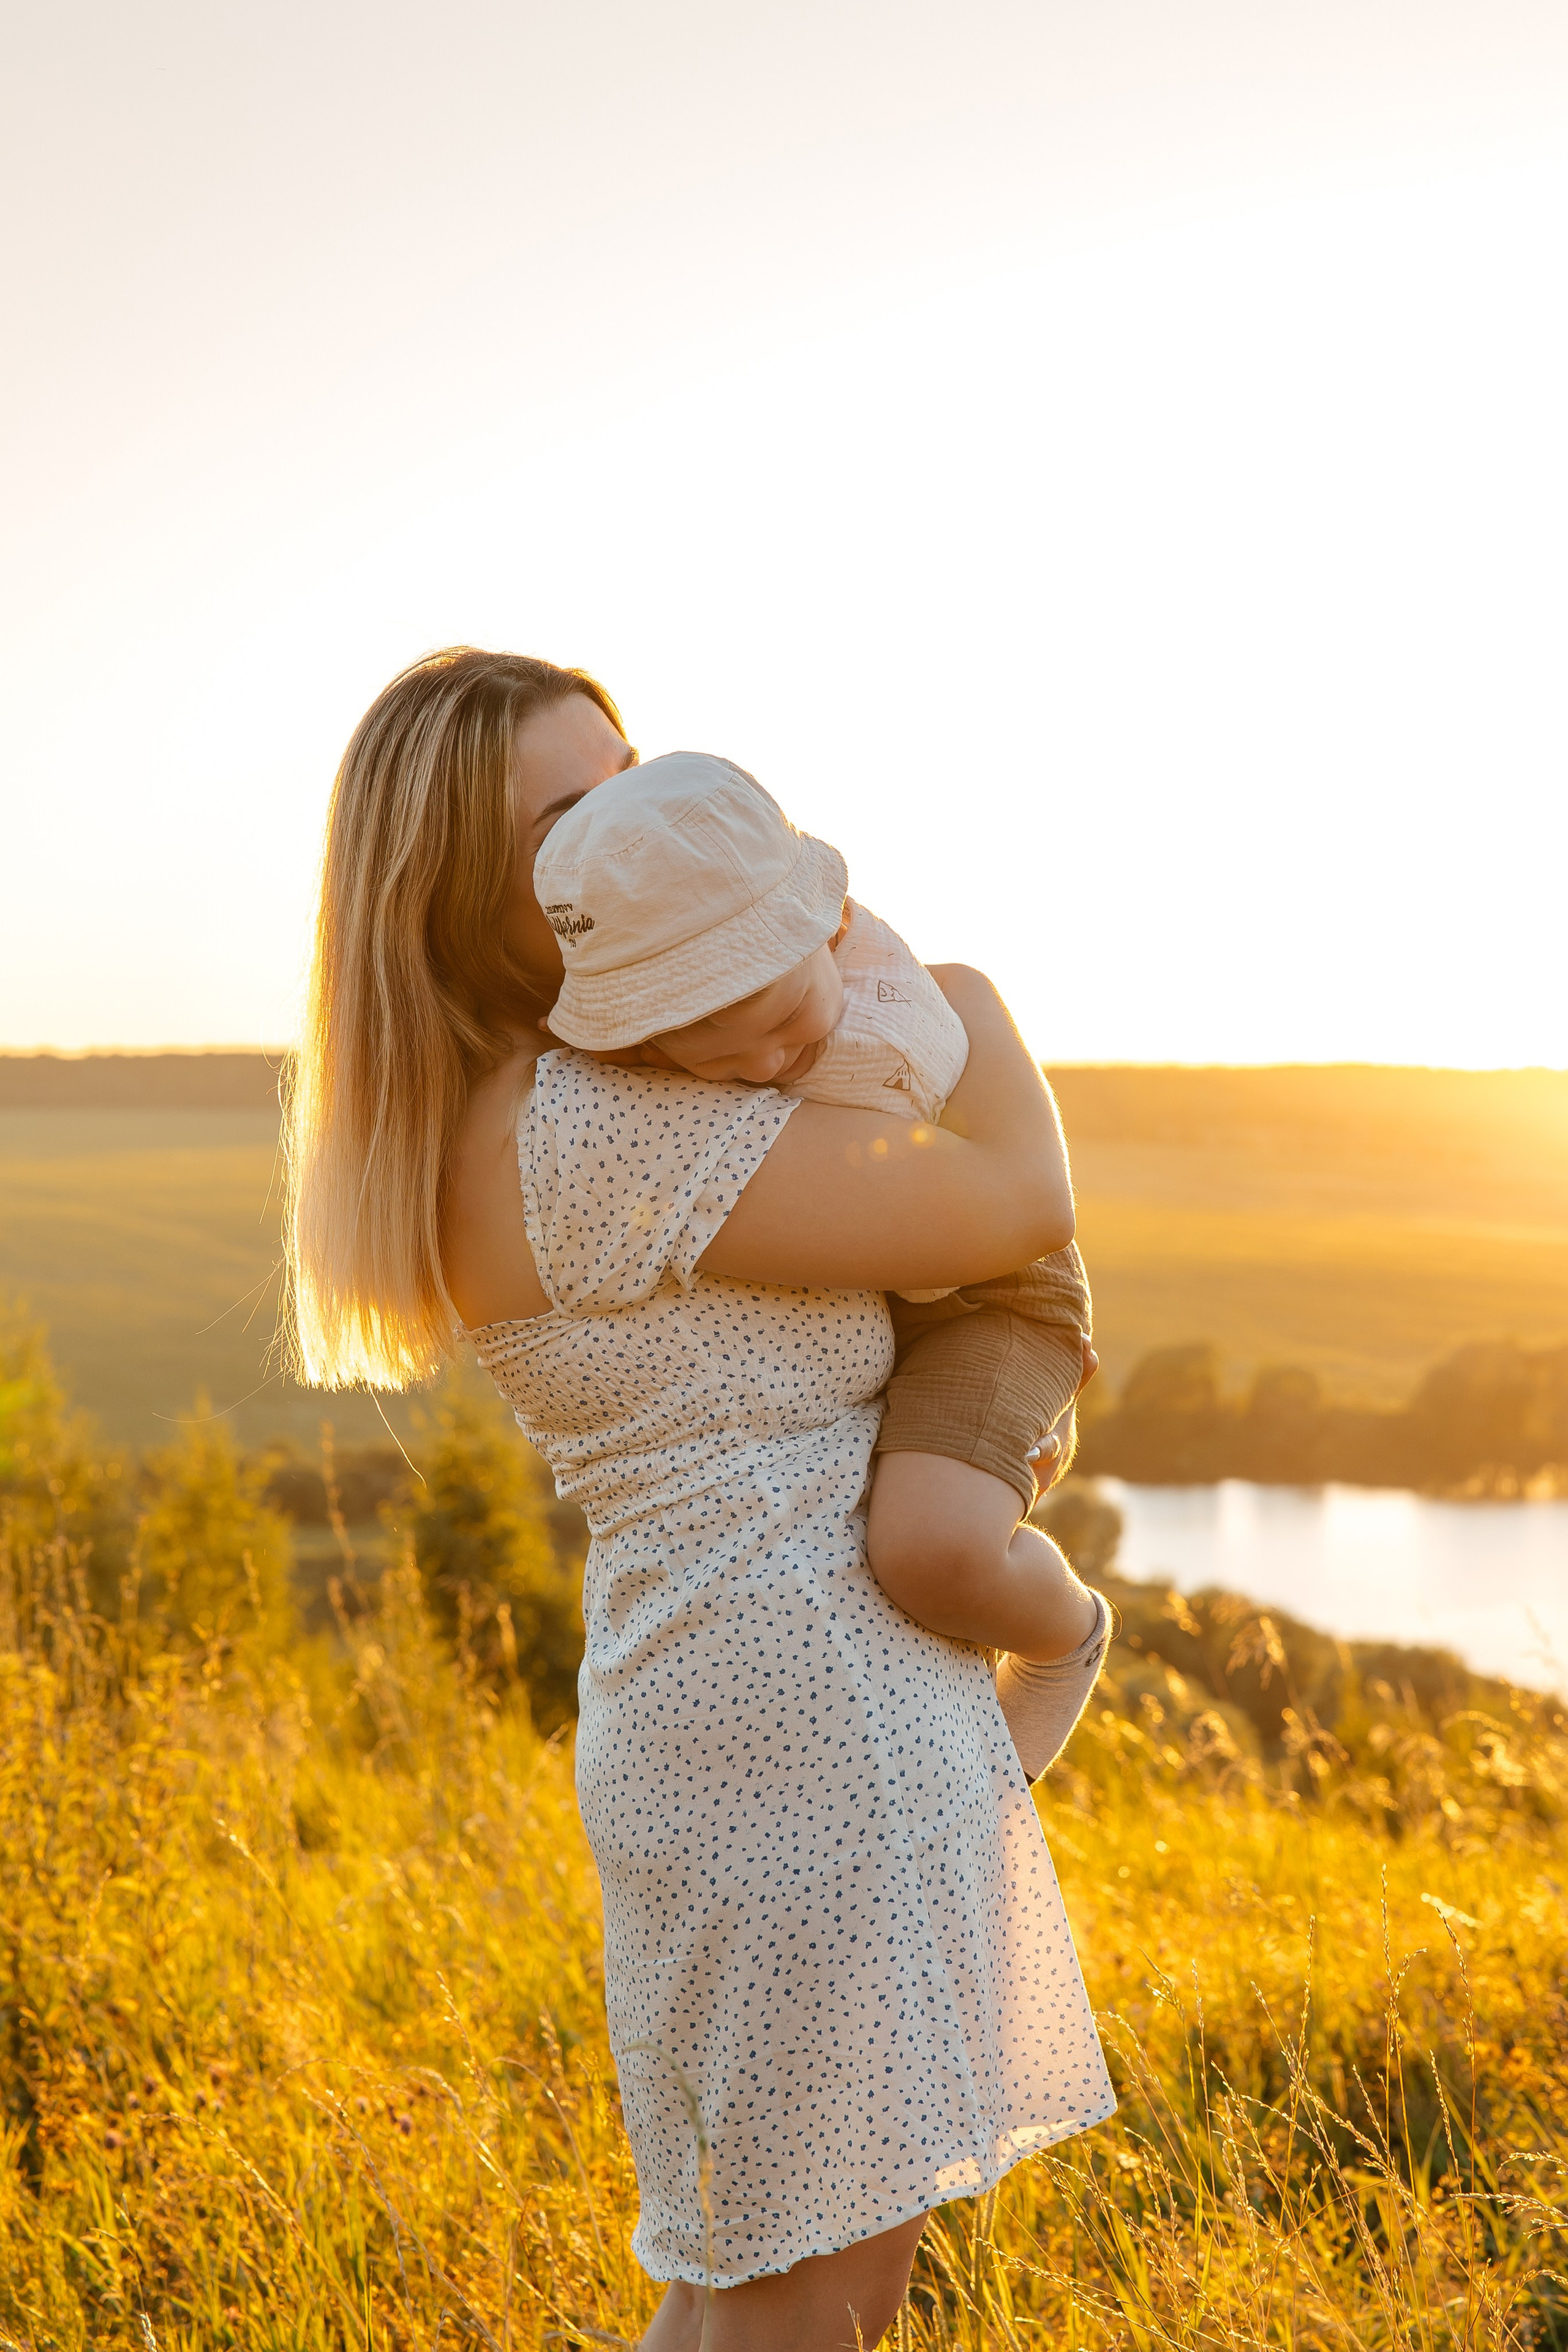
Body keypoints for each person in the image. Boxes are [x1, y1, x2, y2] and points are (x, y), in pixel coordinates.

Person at [287, 648, 1115, 2352]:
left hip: (743, 1711)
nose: (639, 819)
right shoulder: (579, 1129)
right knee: (787, 2299)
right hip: (806, 1722)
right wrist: (968, 989)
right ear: (461, 896)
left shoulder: (534, 1113)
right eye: (570, 815)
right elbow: (1015, 1200)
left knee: (808, 2278)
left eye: (634, 767)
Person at [533, 749, 1112, 1779]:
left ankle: (1064, 1634)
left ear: (833, 930)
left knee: (930, 1546)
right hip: (881, 1291)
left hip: (989, 1297)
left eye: (786, 1021)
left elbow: (1024, 1196)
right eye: (708, 1054)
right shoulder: (618, 1069)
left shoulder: (903, 1010)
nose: (763, 1063)